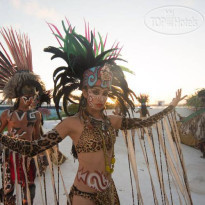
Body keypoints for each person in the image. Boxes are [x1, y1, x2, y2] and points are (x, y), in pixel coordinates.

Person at [0, 21, 185, 205]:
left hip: (110, 193)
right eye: (95, 92)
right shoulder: (72, 123)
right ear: (85, 92)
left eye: (105, 93)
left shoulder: (112, 120)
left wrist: (170, 107)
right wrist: (3, 138)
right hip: (84, 196)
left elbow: (144, 123)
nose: (101, 98)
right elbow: (34, 148)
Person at [0, 28, 48, 204]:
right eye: (27, 97)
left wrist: (42, 153)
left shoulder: (36, 115)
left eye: (33, 97)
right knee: (8, 187)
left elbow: (37, 137)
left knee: (29, 187)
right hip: (9, 155)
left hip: (28, 155)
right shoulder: (7, 114)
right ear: (18, 96)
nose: (30, 100)